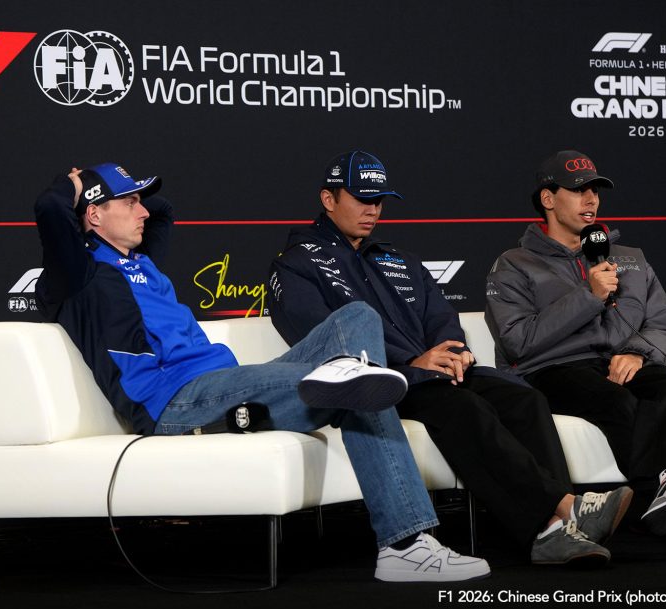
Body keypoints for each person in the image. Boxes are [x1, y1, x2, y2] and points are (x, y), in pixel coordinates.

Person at [34, 160, 491, 582]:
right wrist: (72, 185)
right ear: (93, 215)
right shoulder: (78, 275)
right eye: (130, 202)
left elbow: (163, 209)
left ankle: (354, 378)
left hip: (223, 382)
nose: (144, 212)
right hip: (175, 402)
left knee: (357, 318)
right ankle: (405, 545)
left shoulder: (140, 260)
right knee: (357, 385)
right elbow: (50, 210)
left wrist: (115, 190)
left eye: (139, 200)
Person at [269, 150, 633, 567]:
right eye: (362, 199)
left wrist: (453, 354)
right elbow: (322, 342)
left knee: (523, 399)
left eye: (379, 200)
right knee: (460, 407)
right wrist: (412, 366)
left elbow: (442, 318)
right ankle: (562, 514)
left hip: (437, 374)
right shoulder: (296, 263)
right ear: (328, 199)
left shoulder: (397, 259)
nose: (373, 210)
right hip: (379, 384)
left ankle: (559, 528)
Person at [484, 149, 666, 561]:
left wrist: (637, 353)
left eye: (595, 191)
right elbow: (517, 341)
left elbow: (663, 326)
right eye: (578, 191)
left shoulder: (629, 259)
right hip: (550, 369)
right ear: (548, 199)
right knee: (615, 400)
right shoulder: (514, 265)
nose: (591, 200)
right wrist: (588, 295)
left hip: (619, 361)